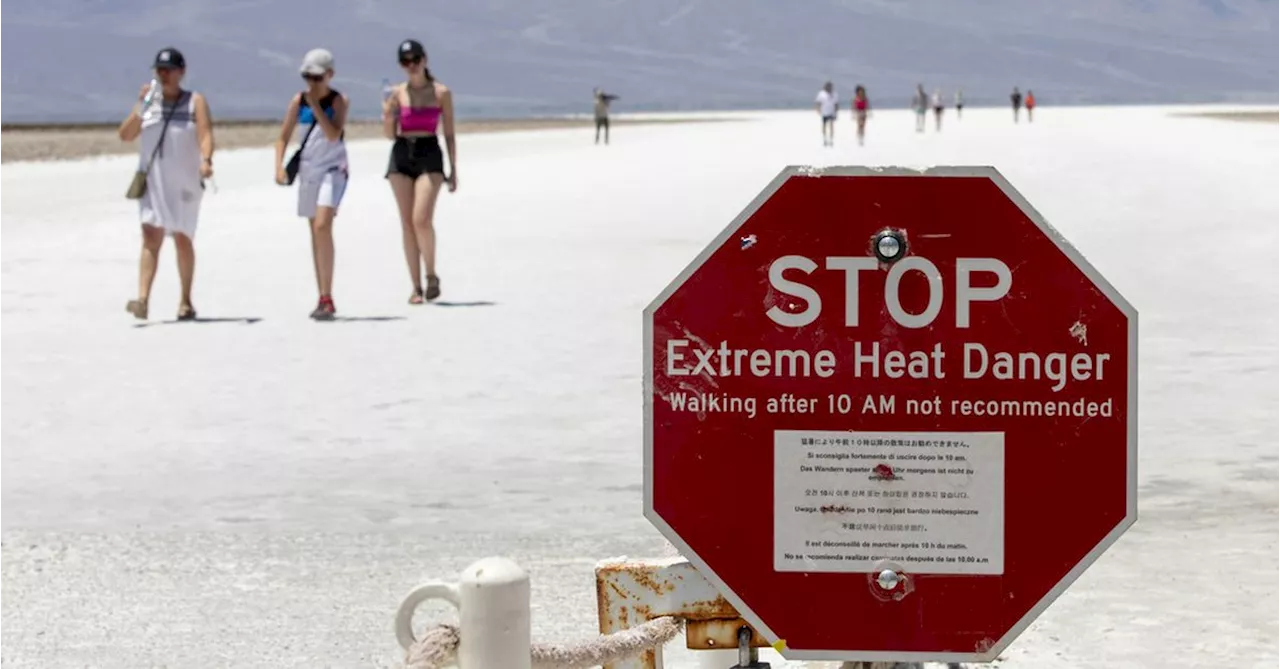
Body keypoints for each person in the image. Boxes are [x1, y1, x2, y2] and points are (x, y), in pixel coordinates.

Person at [117, 47, 214, 321]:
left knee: (182, 238)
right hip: (153, 181)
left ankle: (185, 300)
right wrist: (141, 107)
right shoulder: (150, 104)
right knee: (150, 235)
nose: (163, 74)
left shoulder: (195, 102)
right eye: (159, 70)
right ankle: (143, 299)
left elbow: (205, 133)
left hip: (184, 182)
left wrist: (206, 159)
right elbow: (125, 135)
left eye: (168, 69)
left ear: (181, 72)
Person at [273, 48, 349, 320]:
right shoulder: (297, 102)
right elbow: (282, 137)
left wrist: (317, 105)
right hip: (308, 172)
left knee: (322, 224)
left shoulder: (339, 101)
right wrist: (279, 166)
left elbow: (332, 134)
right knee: (314, 233)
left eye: (317, 78)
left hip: (332, 169)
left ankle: (327, 296)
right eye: (308, 77)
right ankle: (323, 295)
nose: (312, 84)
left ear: (330, 75)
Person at [384, 38, 457, 304]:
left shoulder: (441, 93)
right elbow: (390, 135)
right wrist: (388, 114)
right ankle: (415, 286)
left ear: (425, 60)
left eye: (416, 60)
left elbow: (449, 133)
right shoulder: (397, 93)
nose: (412, 66)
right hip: (402, 153)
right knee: (406, 223)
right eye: (406, 62)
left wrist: (453, 168)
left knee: (421, 219)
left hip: (429, 152)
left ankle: (431, 274)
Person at [815, 81, 838, 146]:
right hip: (824, 112)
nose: (829, 88)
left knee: (831, 125)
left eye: (830, 86)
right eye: (828, 86)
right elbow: (818, 102)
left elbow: (836, 104)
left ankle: (831, 139)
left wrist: (836, 111)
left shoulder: (834, 94)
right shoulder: (821, 94)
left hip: (831, 112)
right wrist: (818, 109)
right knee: (824, 126)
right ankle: (825, 139)